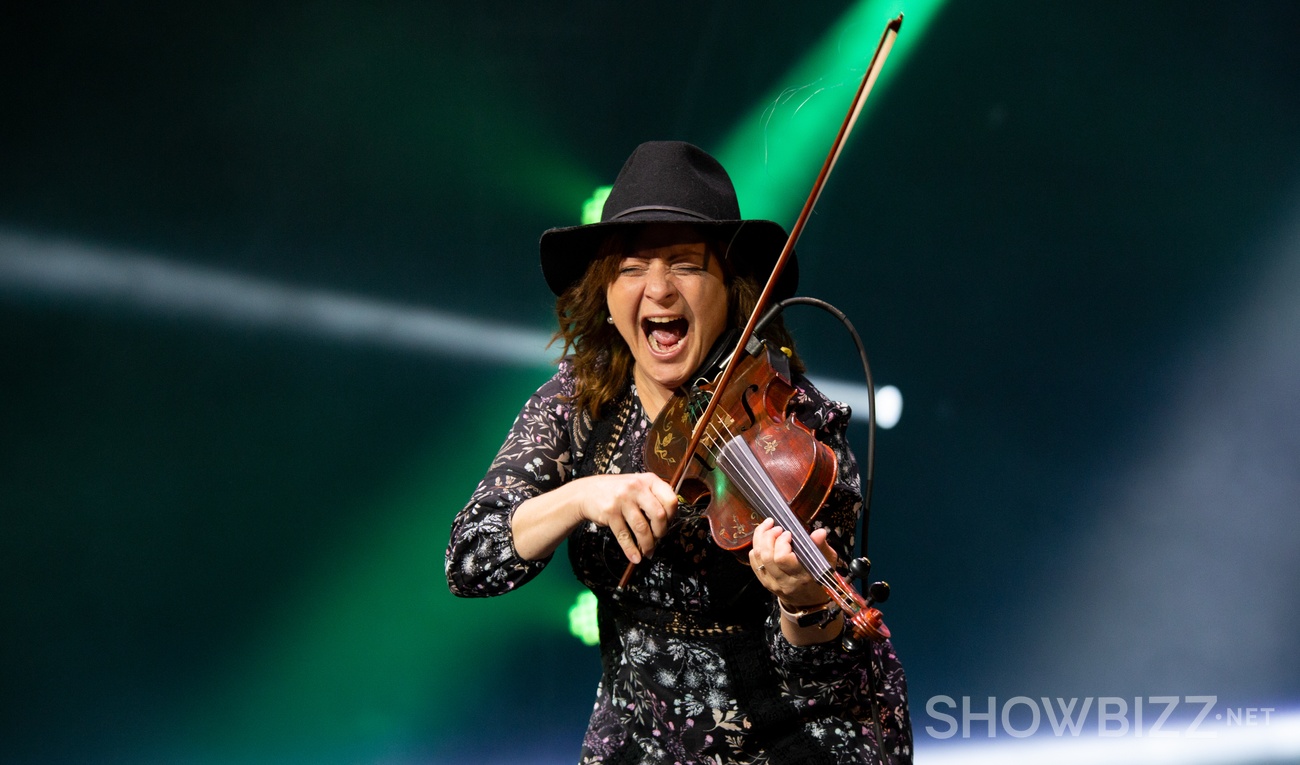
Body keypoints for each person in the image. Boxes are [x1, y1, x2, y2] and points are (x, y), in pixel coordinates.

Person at [446, 141, 911, 764]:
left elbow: (823, 659)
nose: (658, 289)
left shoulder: (790, 415)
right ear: (605, 298)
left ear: (731, 289)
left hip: (796, 731)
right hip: (642, 734)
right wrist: (579, 495)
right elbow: (471, 562)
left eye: (686, 264)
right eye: (632, 267)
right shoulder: (576, 406)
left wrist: (802, 598)